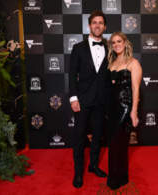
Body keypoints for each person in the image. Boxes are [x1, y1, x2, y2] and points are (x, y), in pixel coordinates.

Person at [69, 10, 109, 188]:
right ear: (89, 25)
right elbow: (72, 74)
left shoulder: (110, 48)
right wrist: (73, 98)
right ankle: (78, 171)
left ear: (105, 26)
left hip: (101, 99)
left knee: (98, 134)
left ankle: (93, 166)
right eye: (95, 22)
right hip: (82, 99)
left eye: (101, 23)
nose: (97, 25)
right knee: (79, 136)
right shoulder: (78, 48)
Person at [106, 31, 142, 190]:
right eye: (113, 42)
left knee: (119, 143)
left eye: (119, 41)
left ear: (125, 43)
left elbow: (135, 88)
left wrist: (133, 111)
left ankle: (119, 177)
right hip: (111, 108)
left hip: (125, 107)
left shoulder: (133, 63)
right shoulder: (110, 63)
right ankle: (116, 175)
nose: (116, 45)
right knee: (112, 144)